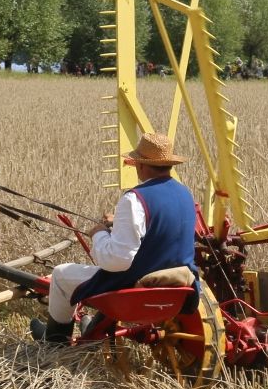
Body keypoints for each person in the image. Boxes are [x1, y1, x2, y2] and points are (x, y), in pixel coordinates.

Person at [31, 131, 198, 344]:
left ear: (139, 165)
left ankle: (54, 341)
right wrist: (118, 221)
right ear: (169, 164)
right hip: (179, 287)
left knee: (61, 275)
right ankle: (91, 327)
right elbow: (159, 229)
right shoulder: (185, 193)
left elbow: (117, 261)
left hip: (137, 288)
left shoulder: (134, 199)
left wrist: (98, 233)